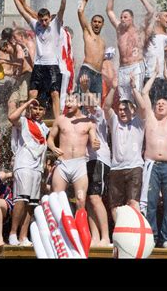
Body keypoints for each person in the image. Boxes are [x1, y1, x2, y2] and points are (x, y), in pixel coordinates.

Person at [7, 0, 71, 118]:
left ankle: (57, 120)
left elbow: (62, 8)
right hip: (39, 65)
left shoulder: (55, 25)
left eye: (46, 20)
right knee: (32, 94)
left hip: (52, 65)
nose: (43, 23)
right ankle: (30, 118)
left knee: (55, 93)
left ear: (49, 18)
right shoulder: (36, 25)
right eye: (41, 20)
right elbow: (22, 12)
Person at [136, 61, 167, 248]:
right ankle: (152, 236)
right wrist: (154, 75)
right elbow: (144, 93)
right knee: (151, 202)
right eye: (158, 103)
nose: (160, 104)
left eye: (164, 103)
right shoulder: (150, 119)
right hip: (152, 165)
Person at [103, 72, 145, 222]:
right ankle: (119, 231)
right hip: (116, 168)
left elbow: (144, 107)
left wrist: (134, 89)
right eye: (120, 109)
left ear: (132, 110)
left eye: (126, 109)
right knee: (115, 205)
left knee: (133, 202)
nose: (122, 112)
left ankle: (134, 231)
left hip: (134, 167)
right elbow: (106, 106)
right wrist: (113, 88)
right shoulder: (115, 121)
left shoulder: (138, 123)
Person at [48, 94, 100, 210]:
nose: (67, 104)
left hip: (80, 165)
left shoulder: (89, 122)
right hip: (63, 163)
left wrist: (96, 145)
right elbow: (50, 139)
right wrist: (53, 148)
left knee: (81, 201)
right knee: (57, 199)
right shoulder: (60, 119)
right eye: (66, 101)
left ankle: (78, 227)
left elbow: (94, 143)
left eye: (71, 101)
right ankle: (59, 228)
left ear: (80, 103)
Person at [8, 99, 49, 246]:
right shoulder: (24, 121)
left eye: (40, 109)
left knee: (31, 203)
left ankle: (23, 236)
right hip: (24, 164)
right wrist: (28, 103)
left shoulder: (44, 128)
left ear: (45, 111)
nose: (37, 112)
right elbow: (11, 117)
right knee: (21, 199)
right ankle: (13, 233)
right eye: (35, 108)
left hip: (37, 168)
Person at [106, 0, 154, 102]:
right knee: (124, 101)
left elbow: (151, 12)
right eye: (121, 17)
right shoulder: (119, 29)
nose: (122, 19)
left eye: (125, 17)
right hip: (122, 68)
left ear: (131, 18)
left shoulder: (139, 30)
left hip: (136, 66)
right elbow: (109, 11)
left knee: (137, 97)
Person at [79, 74, 111, 246]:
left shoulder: (98, 115)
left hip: (100, 159)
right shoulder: (80, 119)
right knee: (87, 199)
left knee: (95, 198)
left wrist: (85, 89)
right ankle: (95, 236)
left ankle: (106, 236)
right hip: (85, 161)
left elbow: (92, 104)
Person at [76, 0, 106, 100]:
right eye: (94, 21)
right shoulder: (88, 32)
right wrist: (83, 1)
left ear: (102, 24)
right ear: (91, 23)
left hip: (98, 74)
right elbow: (80, 12)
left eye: (99, 22)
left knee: (96, 105)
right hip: (87, 70)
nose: (97, 23)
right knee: (83, 101)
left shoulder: (103, 41)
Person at [142, 9, 167, 104]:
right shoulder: (150, 35)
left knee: (165, 102)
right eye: (166, 16)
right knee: (152, 104)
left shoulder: (165, 35)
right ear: (158, 18)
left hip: (165, 73)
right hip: (151, 74)